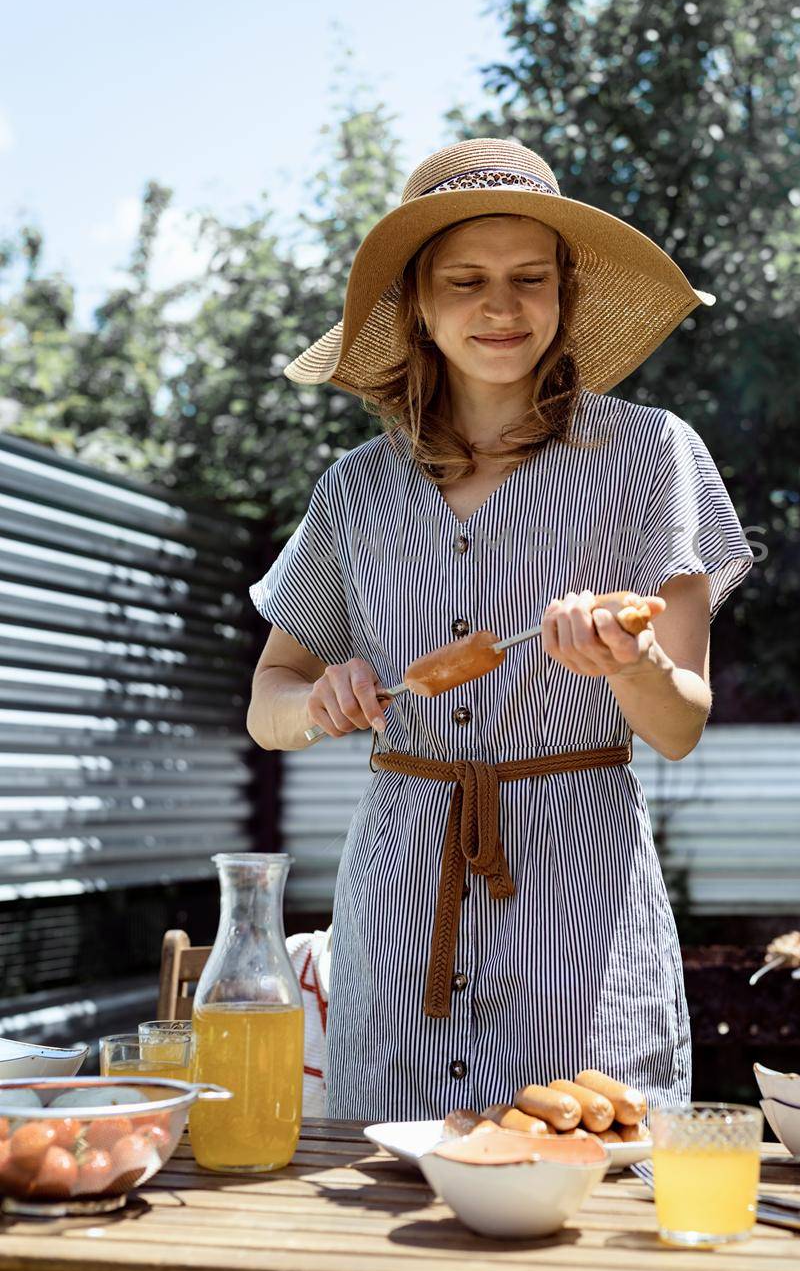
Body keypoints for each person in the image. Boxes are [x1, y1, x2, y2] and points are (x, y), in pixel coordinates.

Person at [245, 136, 755, 1128]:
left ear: (564, 294)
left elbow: (681, 721)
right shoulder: (354, 490)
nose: (501, 306)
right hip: (403, 894)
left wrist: (631, 656)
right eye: (466, 281)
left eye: (529, 279)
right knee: (390, 1197)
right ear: (420, 307)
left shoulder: (652, 456)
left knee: (590, 1171)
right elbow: (268, 703)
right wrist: (318, 702)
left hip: (577, 891)